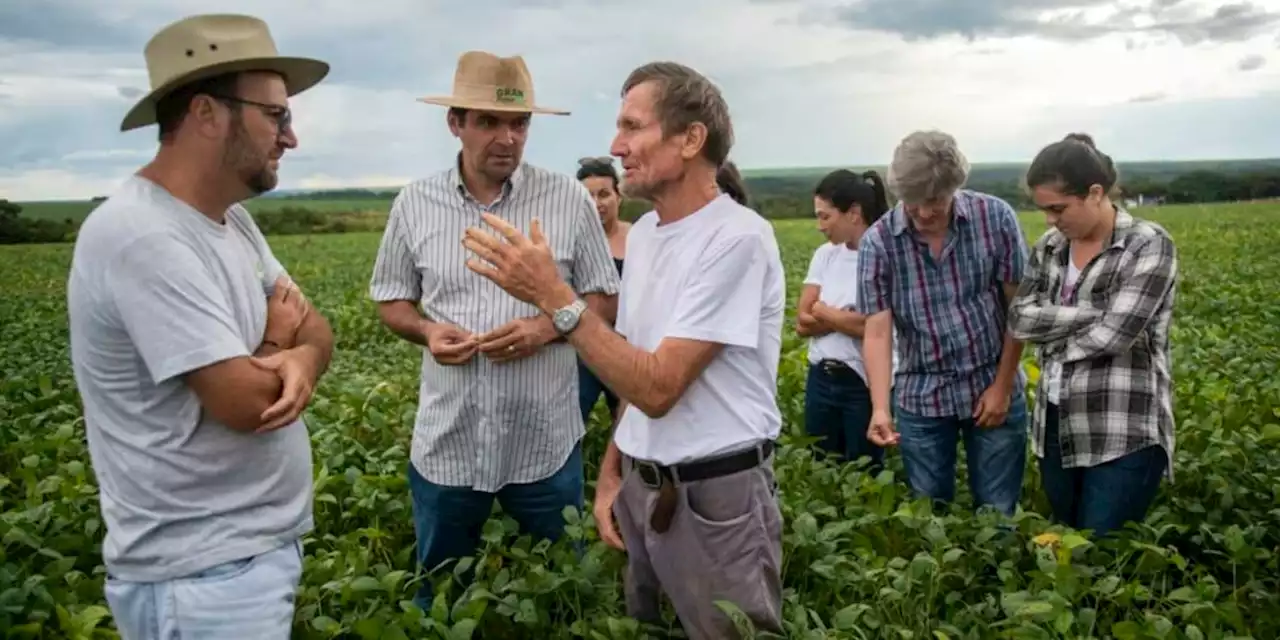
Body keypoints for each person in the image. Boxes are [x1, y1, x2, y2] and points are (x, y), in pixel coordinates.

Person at [460, 61, 786, 639]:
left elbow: (658, 386)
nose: (616, 146)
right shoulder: (650, 237)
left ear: (690, 139)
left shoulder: (737, 238)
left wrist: (555, 299)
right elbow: (629, 368)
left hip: (715, 496)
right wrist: (615, 473)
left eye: (633, 127)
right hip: (645, 486)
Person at [66, 14, 333, 639]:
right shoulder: (143, 236)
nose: (289, 138)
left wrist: (302, 358)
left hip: (238, 562)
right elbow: (245, 402)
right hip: (199, 578)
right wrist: (275, 344)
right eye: (276, 115)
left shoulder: (228, 220)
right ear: (209, 114)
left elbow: (315, 325)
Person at [367, 50, 621, 607]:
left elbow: (603, 300)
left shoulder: (568, 198)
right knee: (438, 591)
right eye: (488, 121)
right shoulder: (415, 203)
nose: (507, 137)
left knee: (564, 592)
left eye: (519, 123)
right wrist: (428, 332)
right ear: (455, 123)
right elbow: (391, 300)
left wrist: (545, 328)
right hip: (449, 442)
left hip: (545, 442)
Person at [1009, 133, 1177, 536]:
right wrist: (1095, 313)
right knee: (1068, 539)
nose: (1050, 219)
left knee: (1101, 550)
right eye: (1044, 209)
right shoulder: (1049, 247)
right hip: (1054, 422)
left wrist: (1050, 332)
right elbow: (1018, 320)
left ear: (1095, 193)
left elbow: (1114, 336)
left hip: (1121, 428)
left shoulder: (1147, 245)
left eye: (1058, 208)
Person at [857, 130, 1031, 516]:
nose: (922, 212)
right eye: (911, 201)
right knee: (928, 512)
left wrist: (1002, 388)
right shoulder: (879, 242)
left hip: (991, 379)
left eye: (933, 200)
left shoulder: (995, 218)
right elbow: (878, 329)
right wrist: (880, 407)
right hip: (921, 392)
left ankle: (993, 574)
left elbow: (1018, 310)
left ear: (955, 187)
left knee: (998, 509)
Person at [797, 169, 894, 472]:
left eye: (825, 217)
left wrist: (824, 311)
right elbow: (802, 320)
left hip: (862, 382)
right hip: (821, 377)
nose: (819, 226)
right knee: (822, 466)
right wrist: (850, 317)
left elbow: (874, 328)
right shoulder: (825, 255)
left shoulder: (885, 255)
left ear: (853, 213)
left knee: (865, 470)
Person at [574, 156, 629, 424]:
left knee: (630, 424)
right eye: (588, 196)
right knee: (571, 419)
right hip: (584, 352)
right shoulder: (569, 245)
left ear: (619, 196)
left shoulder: (640, 237)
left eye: (604, 194)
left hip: (629, 350)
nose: (596, 203)